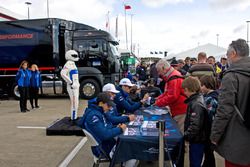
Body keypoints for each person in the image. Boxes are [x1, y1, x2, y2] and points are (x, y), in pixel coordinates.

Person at [210, 39, 250, 167]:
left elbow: (224, 110)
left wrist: (214, 136)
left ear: (233, 54)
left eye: (227, 55)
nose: (227, 58)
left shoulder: (232, 76)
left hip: (238, 140)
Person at [81, 92, 138, 167]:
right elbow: (104, 135)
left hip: (108, 143)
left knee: (132, 143)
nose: (110, 108)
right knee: (134, 153)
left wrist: (116, 128)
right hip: (104, 148)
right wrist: (120, 129)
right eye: (108, 105)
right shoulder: (93, 116)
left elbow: (105, 127)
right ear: (101, 103)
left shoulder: (98, 111)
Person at [182, 76, 210, 167]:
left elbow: (195, 125)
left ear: (187, 89)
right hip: (197, 138)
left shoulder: (196, 104)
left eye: (184, 90)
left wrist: (185, 136)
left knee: (195, 163)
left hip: (198, 140)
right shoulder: (197, 99)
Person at [154, 59, 187, 134]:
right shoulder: (172, 75)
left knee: (180, 133)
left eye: (159, 71)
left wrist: (158, 102)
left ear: (163, 68)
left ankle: (183, 146)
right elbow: (168, 92)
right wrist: (158, 99)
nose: (159, 73)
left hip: (180, 109)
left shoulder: (173, 78)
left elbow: (172, 96)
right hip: (179, 108)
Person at [200, 75, 218, 167]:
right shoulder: (208, 96)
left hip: (209, 129)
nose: (200, 88)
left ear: (207, 85)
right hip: (210, 129)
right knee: (208, 153)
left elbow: (208, 116)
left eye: (202, 85)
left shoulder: (210, 99)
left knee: (208, 152)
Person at [60, 50, 80, 122]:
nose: (76, 57)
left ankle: (74, 117)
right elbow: (62, 74)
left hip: (75, 86)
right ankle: (73, 118)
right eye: (74, 55)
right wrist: (71, 82)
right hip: (72, 87)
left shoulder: (72, 64)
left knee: (76, 102)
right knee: (74, 103)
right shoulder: (68, 64)